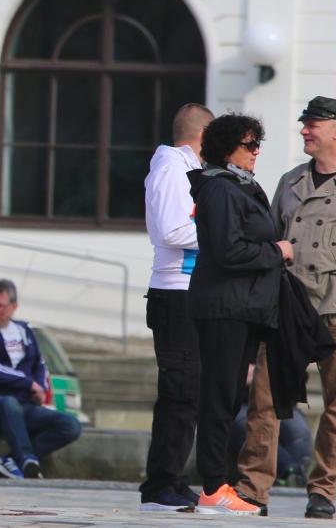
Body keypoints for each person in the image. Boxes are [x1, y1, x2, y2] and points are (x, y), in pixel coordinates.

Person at [236, 96, 336, 520]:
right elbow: (272, 240)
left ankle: (323, 490)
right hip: (288, 308)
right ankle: (253, 489)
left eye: (312, 124)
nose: (304, 131)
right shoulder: (291, 180)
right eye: (303, 124)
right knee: (264, 399)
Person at [186, 113, 293, 515]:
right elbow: (229, 250)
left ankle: (221, 483)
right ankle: (213, 487)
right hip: (223, 307)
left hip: (241, 306)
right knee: (218, 395)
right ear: (226, 148)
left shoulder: (237, 186)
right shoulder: (219, 189)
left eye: (258, 144)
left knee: (230, 396)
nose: (256, 153)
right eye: (249, 145)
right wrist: (277, 252)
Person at [139, 103, 214, 512]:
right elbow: (170, 229)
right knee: (179, 393)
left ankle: (173, 478)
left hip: (188, 292)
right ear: (203, 135)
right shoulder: (171, 168)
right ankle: (160, 485)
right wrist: (220, 233)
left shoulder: (186, 168)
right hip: (175, 293)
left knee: (188, 393)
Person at [0, 279, 82, 480]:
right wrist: (28, 384)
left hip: (25, 406)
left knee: (71, 425)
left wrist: (41, 389)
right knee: (8, 403)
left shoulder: (24, 330)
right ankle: (28, 460)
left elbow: (40, 364)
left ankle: (11, 461)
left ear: (14, 307)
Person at [228, 366, 312, 488]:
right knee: (252, 427)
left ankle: (294, 475)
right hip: (241, 404)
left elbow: (300, 381)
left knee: (299, 432)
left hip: (279, 403)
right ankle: (290, 471)